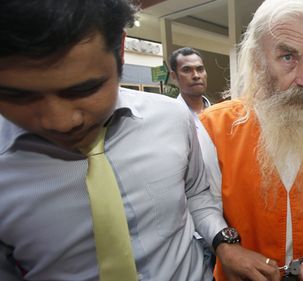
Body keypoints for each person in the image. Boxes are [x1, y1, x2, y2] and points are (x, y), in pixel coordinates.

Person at [0, 1, 243, 280]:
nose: (60, 121)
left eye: (84, 89)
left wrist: (223, 242)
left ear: (119, 49)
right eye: (18, 96)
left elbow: (196, 193)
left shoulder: (173, 118)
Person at [199, 0, 303, 280]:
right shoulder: (214, 126)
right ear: (257, 59)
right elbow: (204, 204)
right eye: (288, 57)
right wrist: (225, 247)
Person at [169, 46, 220, 270]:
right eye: (187, 70)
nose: (196, 75)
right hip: (192, 223)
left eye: (200, 69)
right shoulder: (169, 119)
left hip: (226, 215)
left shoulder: (221, 116)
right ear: (174, 76)